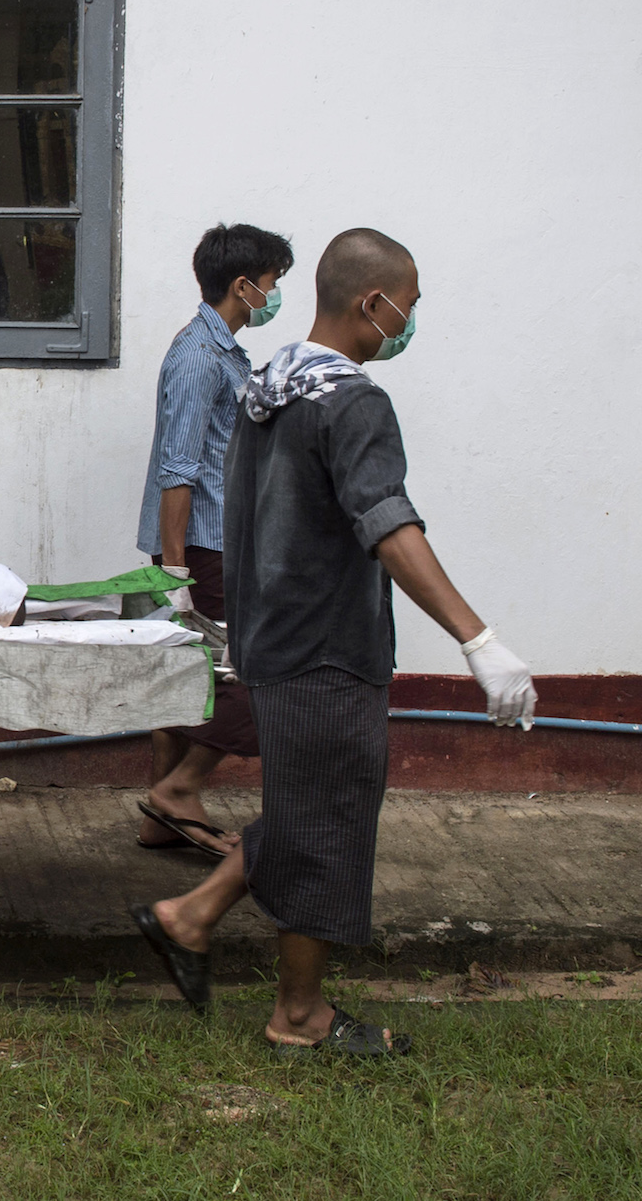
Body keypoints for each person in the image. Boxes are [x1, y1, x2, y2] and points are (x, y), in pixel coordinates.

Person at [131, 228, 537, 1055]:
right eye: (410, 306)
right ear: (372, 303)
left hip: (275, 644)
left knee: (302, 808)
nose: (412, 319)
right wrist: (478, 638)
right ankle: (300, 1016)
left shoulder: (270, 384)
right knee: (328, 825)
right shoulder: (353, 402)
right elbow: (389, 522)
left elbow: (234, 517)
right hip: (328, 654)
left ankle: (190, 915)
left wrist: (239, 627)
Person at [133, 223, 295, 858]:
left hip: (211, 544)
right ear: (242, 286)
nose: (275, 295)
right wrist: (175, 574)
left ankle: (160, 814)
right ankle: (180, 790)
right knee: (250, 678)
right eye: (272, 284)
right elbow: (178, 471)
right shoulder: (199, 356)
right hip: (201, 550)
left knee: (185, 677)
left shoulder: (223, 350)